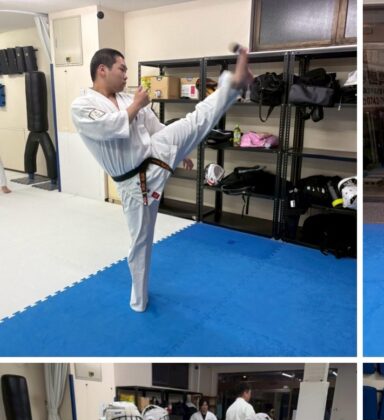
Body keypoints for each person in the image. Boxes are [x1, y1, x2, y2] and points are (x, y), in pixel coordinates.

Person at [72, 46, 253, 312]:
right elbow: (109, 128)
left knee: (192, 122)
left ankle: (234, 83)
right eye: (122, 69)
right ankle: (139, 300)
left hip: (155, 157)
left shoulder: (127, 98)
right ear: (102, 70)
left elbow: (156, 129)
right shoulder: (82, 105)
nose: (126, 75)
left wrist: (178, 151)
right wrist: (137, 104)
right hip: (133, 184)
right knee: (141, 242)